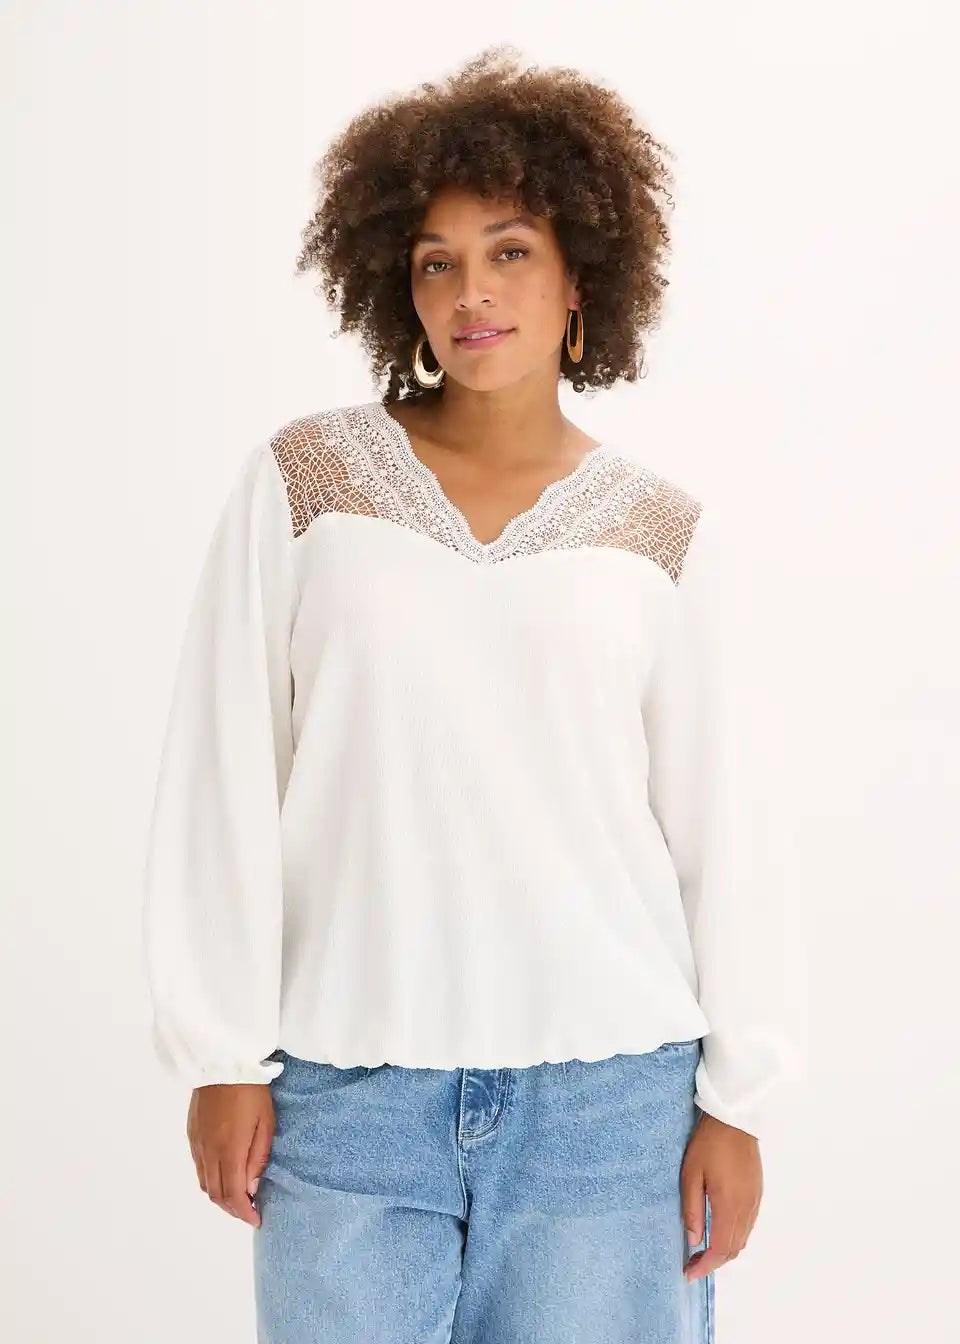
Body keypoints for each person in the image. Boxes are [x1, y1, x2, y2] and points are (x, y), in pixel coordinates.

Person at [142, 44, 798, 1344]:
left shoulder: (662, 534)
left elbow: (728, 832)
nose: (470, 291)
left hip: (610, 1114)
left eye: (508, 252)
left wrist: (738, 1102)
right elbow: (226, 773)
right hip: (348, 1100)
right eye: (435, 260)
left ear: (581, 277)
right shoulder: (306, 488)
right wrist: (221, 1056)